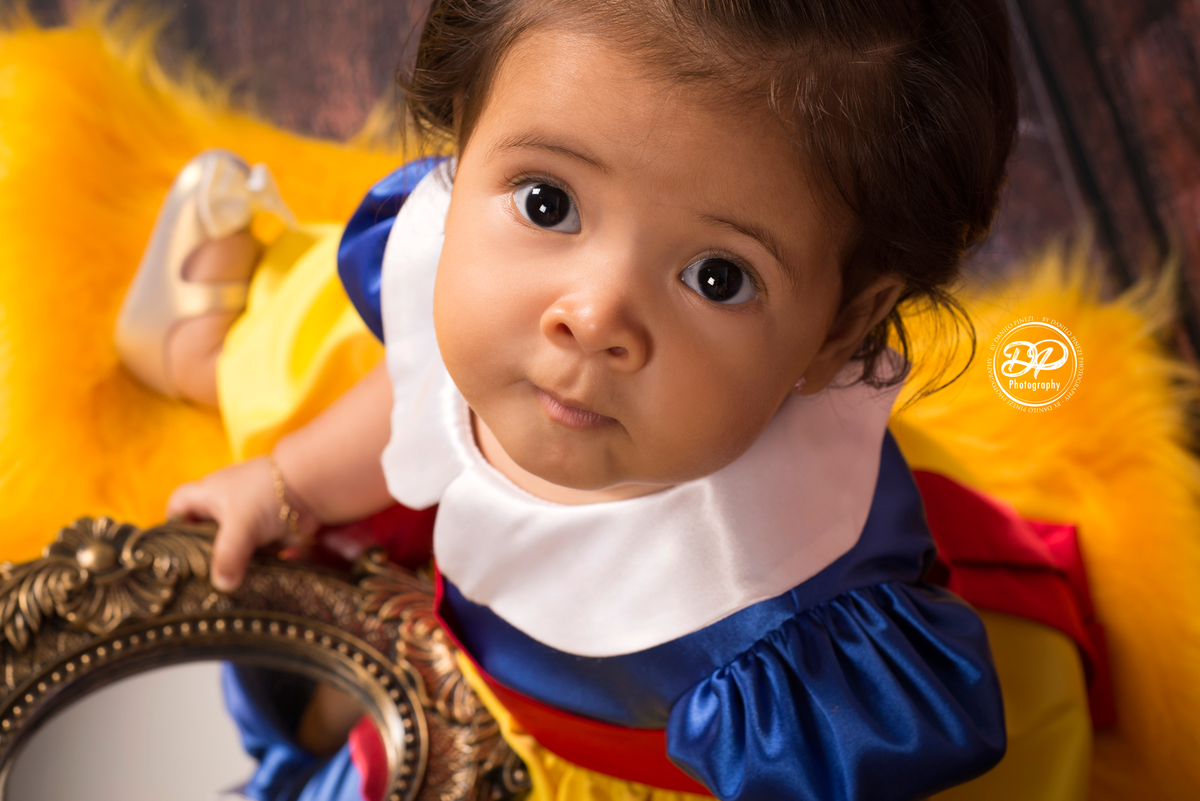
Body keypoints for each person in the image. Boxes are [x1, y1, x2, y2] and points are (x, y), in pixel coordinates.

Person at [115, 1, 1021, 798]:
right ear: (464, 138)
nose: (592, 319)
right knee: (319, 350)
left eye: (718, 277)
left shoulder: (770, 602)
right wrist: (288, 483)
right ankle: (216, 345)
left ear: (839, 327)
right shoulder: (502, 306)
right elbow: (419, 395)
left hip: (570, 743)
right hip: (450, 570)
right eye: (549, 204)